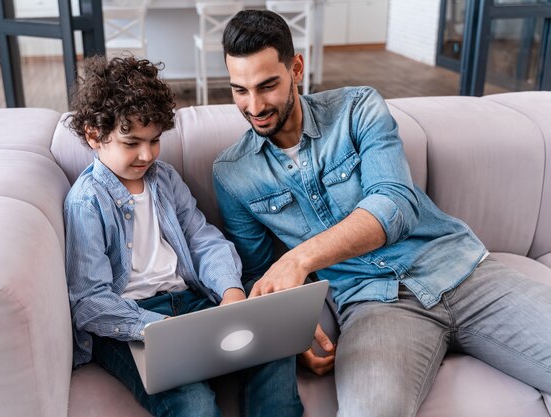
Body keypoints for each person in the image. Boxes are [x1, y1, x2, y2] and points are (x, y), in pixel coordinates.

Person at [213, 9, 551, 417]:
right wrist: (291, 334)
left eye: (267, 86)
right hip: (374, 305)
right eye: (239, 91)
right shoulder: (233, 174)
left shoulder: (358, 108)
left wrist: (300, 258)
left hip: (460, 270)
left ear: (296, 68)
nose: (254, 105)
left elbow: (394, 205)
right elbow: (259, 272)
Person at [64, 55, 303, 417]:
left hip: (191, 303)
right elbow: (90, 301)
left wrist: (231, 292)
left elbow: (203, 239)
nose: (147, 154)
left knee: (272, 352)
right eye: (132, 143)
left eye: (155, 140)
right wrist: (159, 329)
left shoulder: (164, 179)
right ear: (94, 136)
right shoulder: (87, 202)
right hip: (131, 325)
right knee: (191, 402)